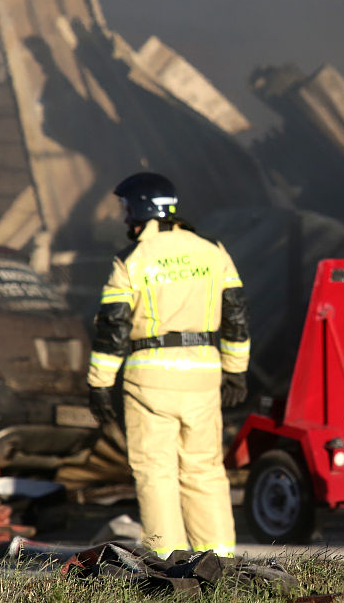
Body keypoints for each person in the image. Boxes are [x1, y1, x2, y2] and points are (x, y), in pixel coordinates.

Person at [86, 172, 251, 558]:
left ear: (141, 210)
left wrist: (99, 384)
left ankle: (166, 560)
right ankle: (220, 558)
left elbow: (112, 329)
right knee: (205, 469)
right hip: (203, 377)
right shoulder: (214, 251)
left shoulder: (132, 261)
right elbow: (237, 316)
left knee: (155, 472)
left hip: (151, 380)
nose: (125, 218)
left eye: (127, 209)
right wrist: (236, 370)